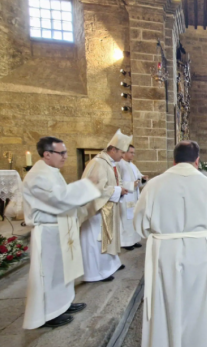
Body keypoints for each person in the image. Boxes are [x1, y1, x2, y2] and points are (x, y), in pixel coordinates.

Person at [133, 141, 207, 347]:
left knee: (164, 303)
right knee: (198, 305)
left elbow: (140, 224)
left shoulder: (154, 184)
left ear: (174, 160)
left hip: (164, 250)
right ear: (197, 161)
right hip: (201, 250)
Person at [23, 137, 101, 329]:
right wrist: (86, 185)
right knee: (49, 274)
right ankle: (48, 314)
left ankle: (62, 305)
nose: (66, 156)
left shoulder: (50, 171)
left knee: (63, 271)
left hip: (59, 228)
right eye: (62, 153)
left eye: (65, 152)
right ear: (47, 154)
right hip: (47, 232)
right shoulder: (37, 175)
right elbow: (58, 198)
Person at [80, 129, 132, 282]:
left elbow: (114, 182)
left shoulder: (110, 163)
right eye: (121, 152)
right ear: (113, 149)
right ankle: (96, 273)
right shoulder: (97, 163)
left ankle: (110, 265)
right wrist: (117, 190)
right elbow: (94, 189)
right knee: (97, 241)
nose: (123, 156)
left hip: (107, 208)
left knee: (108, 237)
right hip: (97, 212)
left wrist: (120, 188)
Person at [118, 145, 148, 251]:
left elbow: (138, 176)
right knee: (126, 219)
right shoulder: (119, 164)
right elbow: (118, 182)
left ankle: (134, 240)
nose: (133, 155)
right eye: (131, 152)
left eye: (134, 153)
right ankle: (126, 242)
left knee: (134, 218)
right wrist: (131, 184)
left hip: (134, 196)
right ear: (125, 153)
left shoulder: (133, 165)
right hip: (126, 197)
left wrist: (143, 178)